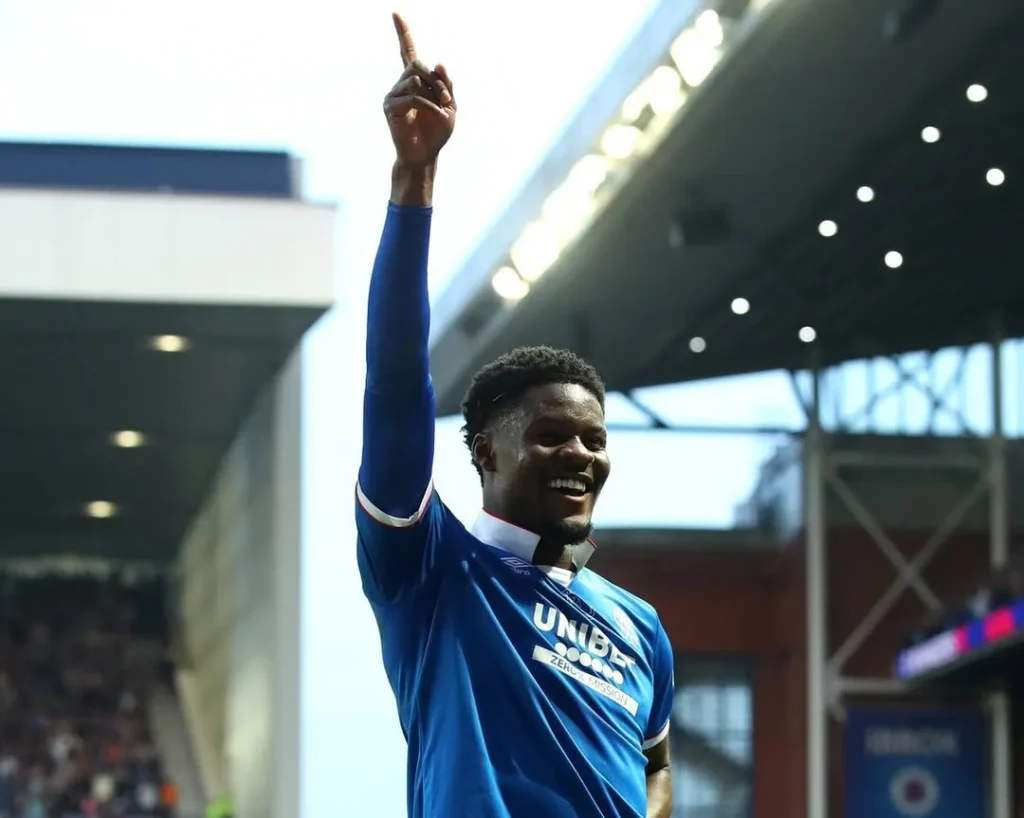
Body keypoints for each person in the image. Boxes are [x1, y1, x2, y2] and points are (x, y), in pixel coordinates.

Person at [356, 14, 674, 818]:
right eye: (552, 435)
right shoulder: (429, 572)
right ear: (483, 453)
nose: (581, 454)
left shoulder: (639, 627)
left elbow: (657, 767)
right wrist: (414, 179)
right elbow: (395, 384)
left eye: (595, 439)